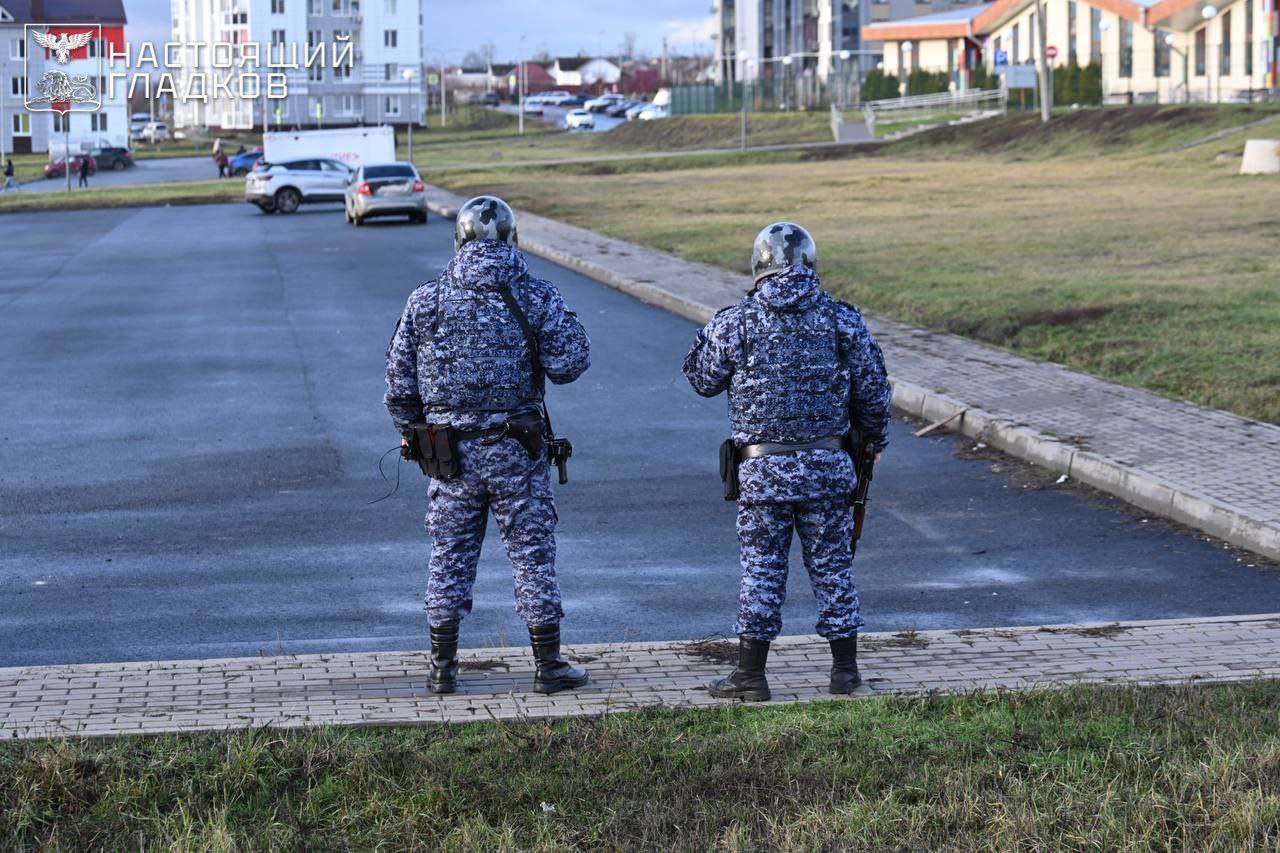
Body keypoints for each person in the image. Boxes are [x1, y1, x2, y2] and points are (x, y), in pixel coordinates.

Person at [384, 195, 592, 696]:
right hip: (518, 450)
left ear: (459, 240)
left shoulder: (426, 300)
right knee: (532, 554)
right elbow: (570, 363)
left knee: (448, 556)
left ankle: (442, 667)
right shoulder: (536, 296)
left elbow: (398, 387)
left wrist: (419, 436)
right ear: (511, 239)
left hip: (449, 454)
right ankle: (548, 664)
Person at [682, 222, 893, 702]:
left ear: (759, 266)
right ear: (812, 263)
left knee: (761, 570)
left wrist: (713, 334)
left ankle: (751, 676)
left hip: (762, 474)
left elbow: (702, 379)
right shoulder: (842, 320)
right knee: (833, 568)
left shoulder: (737, 321)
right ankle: (844, 673)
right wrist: (874, 440)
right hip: (828, 468)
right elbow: (874, 393)